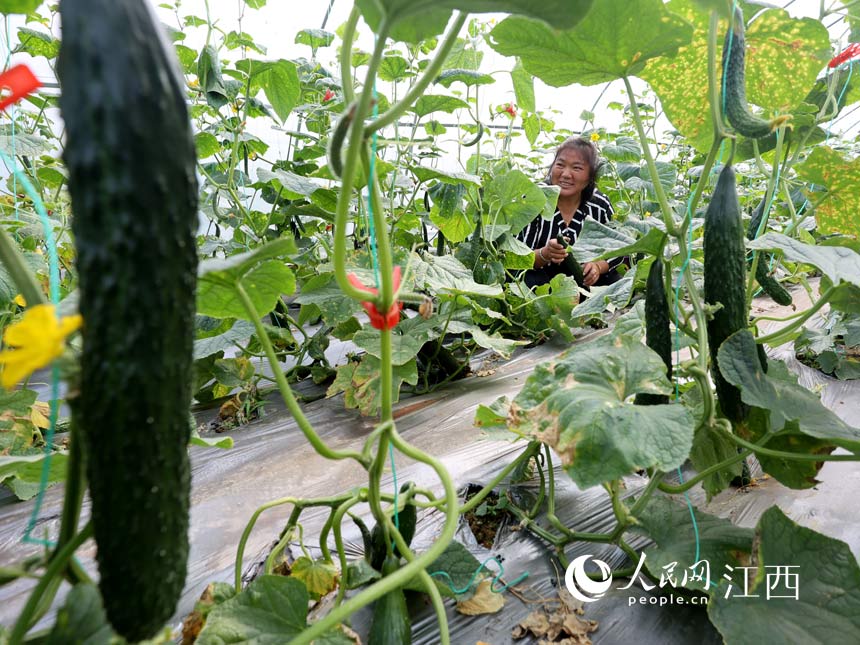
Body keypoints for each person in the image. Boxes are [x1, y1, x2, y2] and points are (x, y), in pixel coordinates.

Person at [518, 136, 624, 290]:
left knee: (616, 283)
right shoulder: (533, 199)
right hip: (543, 284)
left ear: (590, 177)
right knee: (528, 281)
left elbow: (617, 249)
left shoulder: (599, 204)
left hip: (587, 283)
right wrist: (545, 254)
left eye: (577, 168)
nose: (566, 174)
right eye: (560, 165)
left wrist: (597, 267)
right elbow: (516, 257)